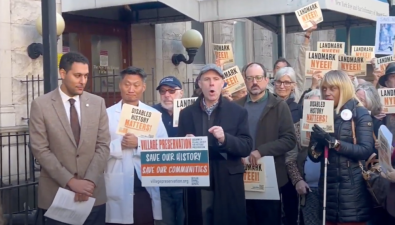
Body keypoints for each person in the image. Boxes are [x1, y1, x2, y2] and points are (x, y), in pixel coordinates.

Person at [29, 52, 110, 225]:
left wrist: (88, 181)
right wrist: (71, 181)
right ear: (63, 73)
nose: (83, 81)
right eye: (77, 75)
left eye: (86, 76)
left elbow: (103, 145)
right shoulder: (41, 105)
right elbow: (40, 149)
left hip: (93, 194)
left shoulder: (98, 103)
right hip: (57, 196)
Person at [178, 64, 253, 225]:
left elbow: (246, 146)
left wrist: (225, 139)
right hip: (198, 183)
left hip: (227, 181)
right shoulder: (186, 114)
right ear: (199, 84)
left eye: (216, 79)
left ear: (223, 83)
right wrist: (185, 143)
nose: (211, 83)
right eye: (207, 79)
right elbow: (178, 152)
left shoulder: (238, 112)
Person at [308, 70, 374, 225]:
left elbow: (365, 150)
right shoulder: (322, 112)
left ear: (343, 88)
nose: (327, 92)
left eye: (332, 88)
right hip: (327, 191)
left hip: (352, 191)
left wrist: (334, 143)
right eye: (324, 88)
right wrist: (316, 142)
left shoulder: (360, 112)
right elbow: (313, 157)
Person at [235, 62, 297, 225]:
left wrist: (261, 151)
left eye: (258, 77)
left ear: (265, 79)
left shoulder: (278, 105)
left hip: (270, 177)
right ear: (245, 80)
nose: (254, 82)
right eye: (250, 78)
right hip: (241, 175)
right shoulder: (236, 106)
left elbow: (289, 139)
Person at [105, 66, 168, 225]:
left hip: (143, 186)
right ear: (120, 85)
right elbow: (98, 148)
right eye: (127, 84)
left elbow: (164, 147)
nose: (131, 89)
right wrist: (120, 145)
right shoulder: (107, 114)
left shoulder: (153, 115)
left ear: (143, 87)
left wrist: (139, 144)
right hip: (116, 183)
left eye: (136, 85)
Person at [272, 67, 304, 225]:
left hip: (291, 167)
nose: (282, 86)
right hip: (270, 163)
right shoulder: (268, 105)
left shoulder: (299, 109)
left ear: (293, 85)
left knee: (291, 210)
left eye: (286, 82)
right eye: (279, 82)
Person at [153, 76, 185, 225]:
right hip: (160, 184)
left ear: (181, 93)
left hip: (185, 182)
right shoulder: (152, 113)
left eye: (171, 91)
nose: (167, 95)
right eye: (163, 91)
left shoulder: (191, 113)